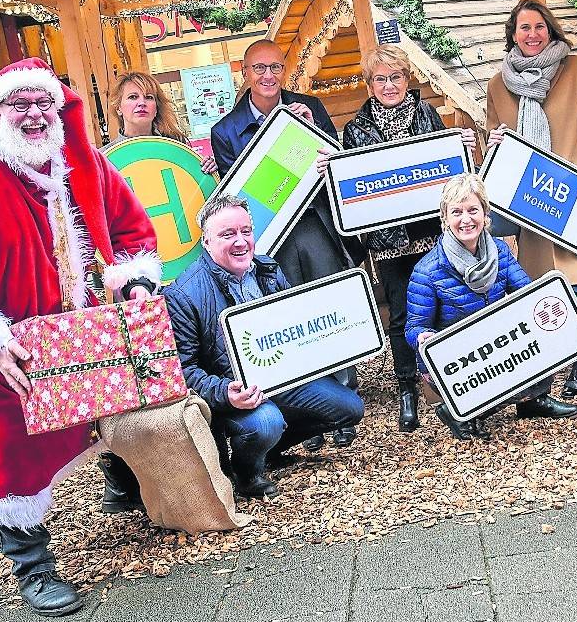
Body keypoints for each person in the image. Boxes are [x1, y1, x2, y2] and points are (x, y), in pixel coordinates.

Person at [0, 58, 161, 616]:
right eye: (18, 104)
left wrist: (135, 277)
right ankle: (32, 566)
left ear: (57, 108)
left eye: (42, 103)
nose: (33, 115)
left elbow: (129, 224)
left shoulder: (82, 163)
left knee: (106, 406)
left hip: (73, 323)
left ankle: (121, 486)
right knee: (10, 446)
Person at [316, 44, 476, 432]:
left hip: (431, 234)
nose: (389, 85)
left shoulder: (428, 115)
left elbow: (450, 171)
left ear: (408, 79)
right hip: (388, 242)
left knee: (443, 308)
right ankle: (408, 389)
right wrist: (329, 169)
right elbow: (352, 186)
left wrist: (464, 147)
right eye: (381, 79)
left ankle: (453, 384)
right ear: (370, 85)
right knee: (403, 314)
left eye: (396, 77)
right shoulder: (355, 130)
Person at [210, 39, 360, 449]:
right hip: (270, 240)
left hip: (315, 225)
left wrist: (312, 133)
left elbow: (338, 160)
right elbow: (234, 191)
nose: (268, 76)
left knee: (331, 308)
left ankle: (345, 402)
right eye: (260, 68)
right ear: (246, 72)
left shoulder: (311, 106)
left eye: (275, 67)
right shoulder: (224, 130)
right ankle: (314, 412)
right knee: (294, 320)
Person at [163, 194, 365, 494]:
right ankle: (246, 473)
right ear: (206, 242)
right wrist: (226, 394)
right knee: (266, 423)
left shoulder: (268, 268)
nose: (241, 241)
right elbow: (183, 370)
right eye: (227, 234)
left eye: (246, 231)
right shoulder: (184, 294)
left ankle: (268, 449)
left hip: (279, 378)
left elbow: (294, 324)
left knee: (350, 407)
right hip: (232, 393)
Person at [486, 0, 577, 405]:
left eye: (539, 26)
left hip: (573, 189)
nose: (532, 35)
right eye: (524, 28)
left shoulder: (576, 68)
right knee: (548, 286)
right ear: (512, 34)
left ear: (551, 29)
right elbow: (495, 143)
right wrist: (491, 145)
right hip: (529, 196)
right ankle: (573, 361)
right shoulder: (497, 84)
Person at [406, 174, 577, 439]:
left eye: (473, 210)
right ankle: (458, 411)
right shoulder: (427, 270)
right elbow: (414, 326)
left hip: (496, 345)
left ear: (485, 213)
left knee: (538, 333)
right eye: (457, 212)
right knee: (490, 382)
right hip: (457, 360)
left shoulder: (500, 251)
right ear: (445, 218)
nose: (466, 219)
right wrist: (422, 337)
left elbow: (526, 292)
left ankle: (533, 400)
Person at [107, 70, 216, 173]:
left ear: (156, 109)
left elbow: (195, 186)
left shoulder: (175, 147)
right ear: (118, 108)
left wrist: (208, 168)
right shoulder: (105, 157)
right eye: (133, 97)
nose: (142, 103)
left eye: (149, 97)